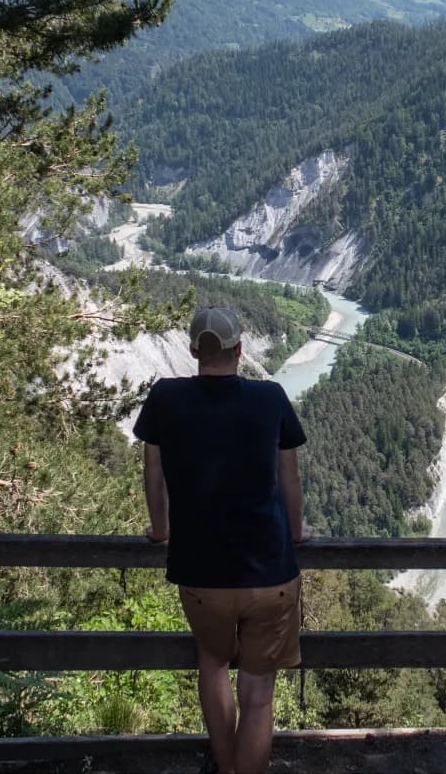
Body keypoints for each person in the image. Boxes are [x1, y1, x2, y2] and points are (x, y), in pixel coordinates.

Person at [136, 306, 307, 774]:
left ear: (194, 350)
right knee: (258, 694)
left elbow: (153, 473)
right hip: (270, 571)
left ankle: (226, 768)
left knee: (212, 664)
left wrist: (159, 530)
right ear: (240, 349)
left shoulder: (165, 398)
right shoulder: (270, 398)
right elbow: (289, 479)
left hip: (200, 574)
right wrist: (296, 533)